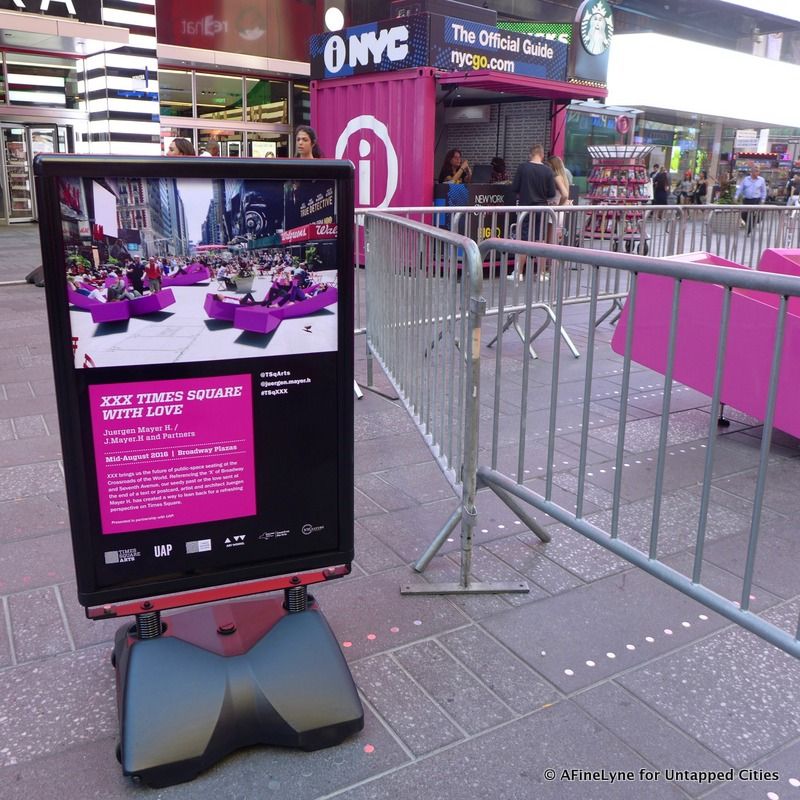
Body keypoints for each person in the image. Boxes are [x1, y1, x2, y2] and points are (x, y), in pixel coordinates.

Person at [511, 144, 556, 274]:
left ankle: (519, 273)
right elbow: (552, 193)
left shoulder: (523, 168)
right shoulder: (548, 171)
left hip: (525, 209)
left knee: (524, 240)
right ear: (542, 155)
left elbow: (514, 188)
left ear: (530, 154)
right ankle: (541, 273)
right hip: (542, 209)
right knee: (540, 240)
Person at [735, 164, 767, 233]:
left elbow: (763, 191)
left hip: (756, 200)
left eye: (758, 171)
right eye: (755, 170)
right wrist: (736, 196)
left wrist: (763, 200)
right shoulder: (746, 179)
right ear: (751, 171)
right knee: (744, 214)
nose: (757, 172)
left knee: (752, 214)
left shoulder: (761, 180)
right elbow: (740, 188)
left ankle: (749, 230)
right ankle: (750, 224)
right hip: (746, 199)